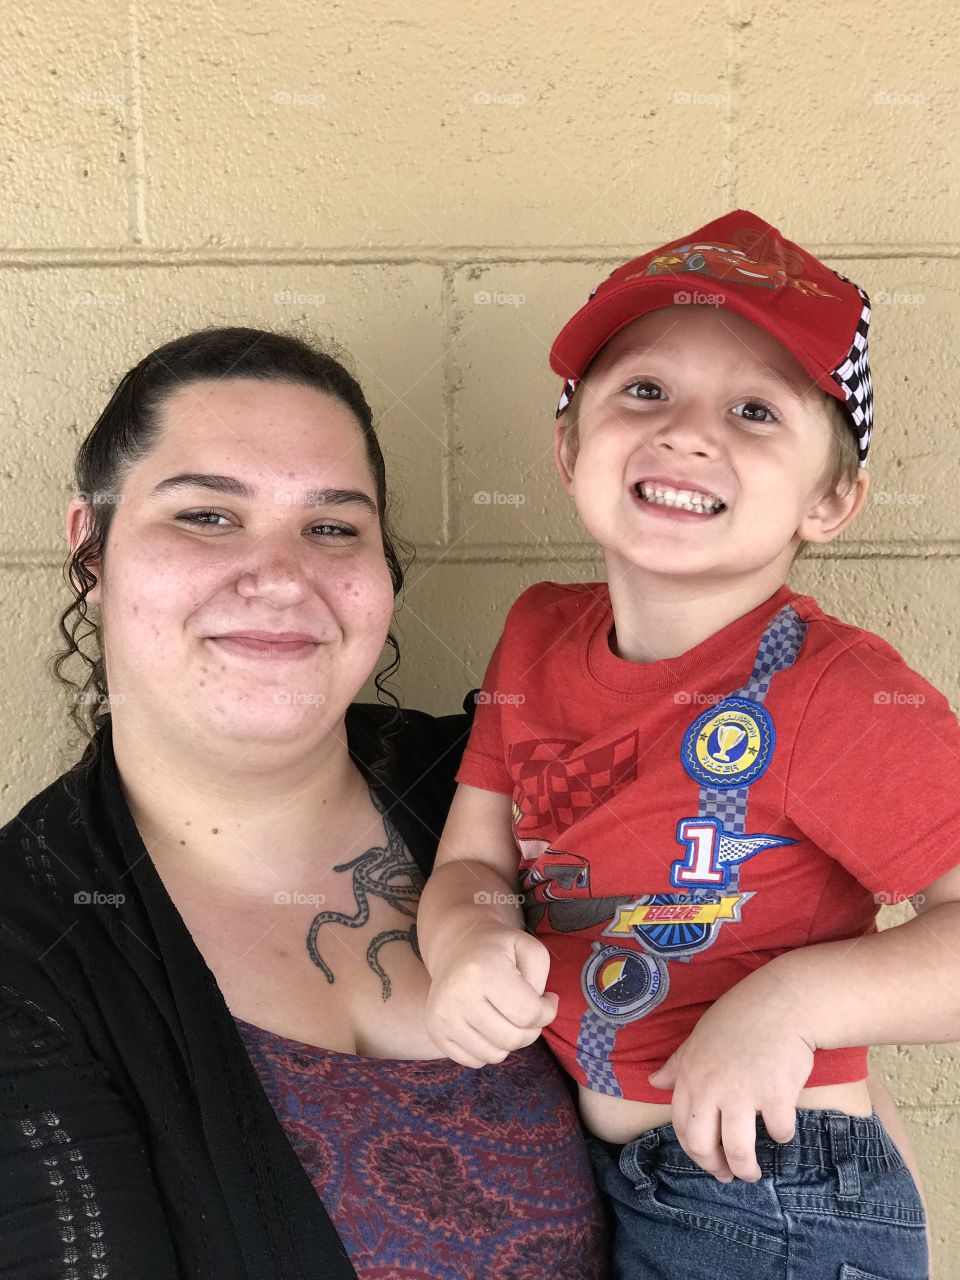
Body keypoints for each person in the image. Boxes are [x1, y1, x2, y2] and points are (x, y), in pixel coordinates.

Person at [0, 327, 609, 1279]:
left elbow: (813, 1120)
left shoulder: (522, 789)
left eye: (332, 527)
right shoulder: (28, 948)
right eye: (207, 515)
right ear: (92, 547)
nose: (282, 576)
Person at [419, 209, 960, 1279]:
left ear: (833, 498)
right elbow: (474, 864)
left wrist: (791, 1001)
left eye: (756, 409)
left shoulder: (836, 693)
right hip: (601, 1170)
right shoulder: (534, 632)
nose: (689, 431)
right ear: (570, 446)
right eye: (646, 390)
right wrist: (464, 943)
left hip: (775, 1192)